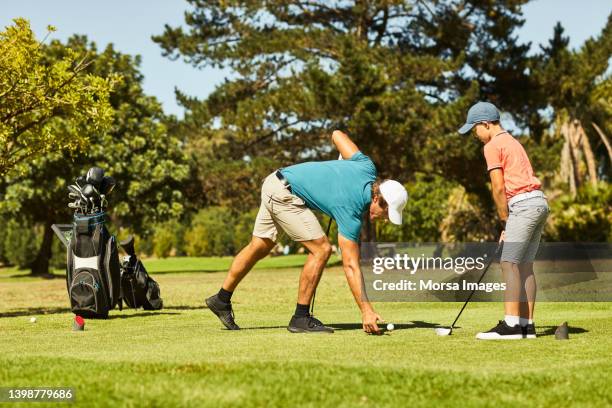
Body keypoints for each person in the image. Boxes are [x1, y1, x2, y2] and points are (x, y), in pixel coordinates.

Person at [205, 130, 408, 334]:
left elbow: (337, 134)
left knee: (260, 245)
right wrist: (366, 310)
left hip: (275, 181)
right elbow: (350, 265)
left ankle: (221, 299)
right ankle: (300, 317)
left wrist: (340, 167)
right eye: (386, 212)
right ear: (376, 199)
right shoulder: (351, 211)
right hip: (283, 192)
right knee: (321, 250)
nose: (385, 218)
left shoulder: (366, 166)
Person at [458, 101, 549, 340]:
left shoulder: (492, 145)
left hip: (522, 205)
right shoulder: (512, 141)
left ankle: (510, 326)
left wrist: (504, 221)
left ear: (485, 124)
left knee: (508, 263)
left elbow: (498, 188)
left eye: (475, 129)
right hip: (539, 202)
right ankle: (526, 326)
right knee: (525, 265)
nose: (475, 135)